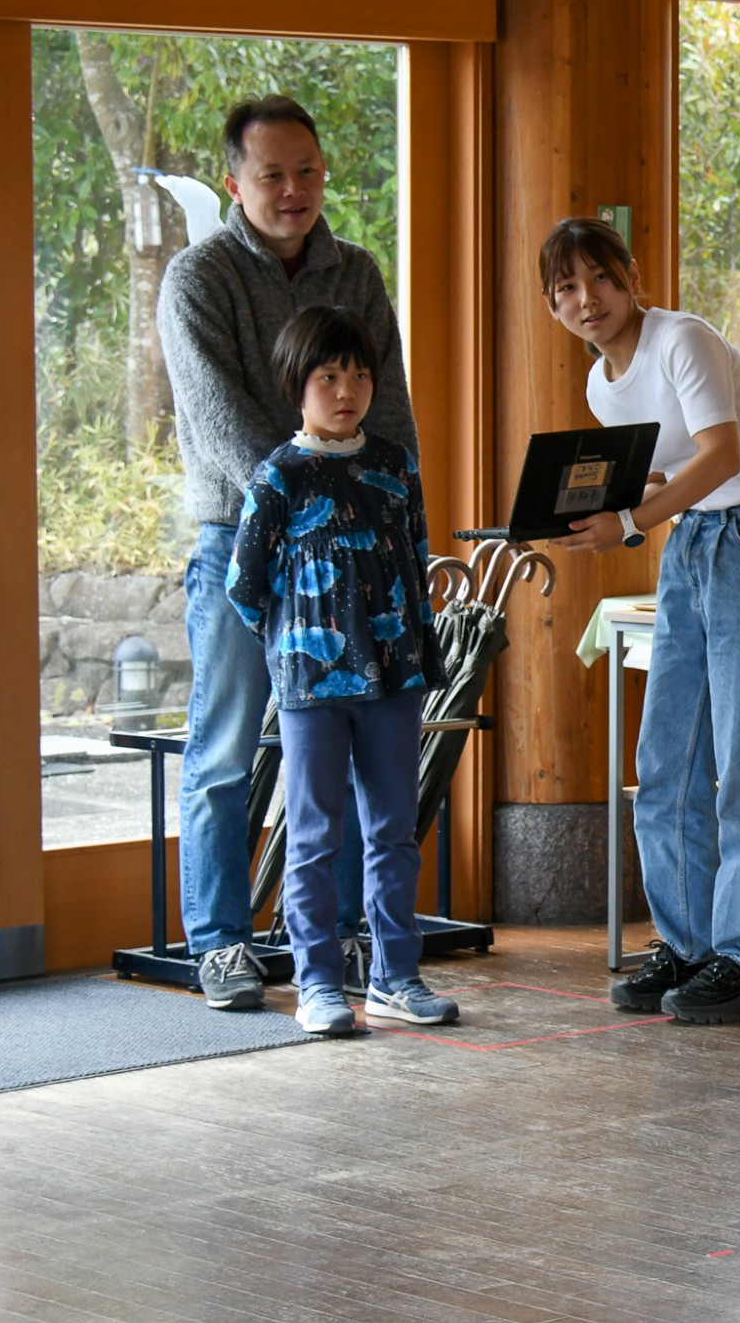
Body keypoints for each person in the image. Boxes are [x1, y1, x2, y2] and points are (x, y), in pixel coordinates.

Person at [158, 95, 415, 1011]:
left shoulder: (358, 272)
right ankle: (221, 943)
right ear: (234, 181)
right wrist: (307, 491)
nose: (293, 189)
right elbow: (224, 421)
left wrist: (390, 522)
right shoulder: (198, 276)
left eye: (306, 171)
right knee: (226, 754)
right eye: (272, 174)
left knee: (347, 757)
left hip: (357, 557)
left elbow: (387, 412)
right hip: (245, 543)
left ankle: (343, 940)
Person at [539, 216, 740, 1025]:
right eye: (564, 289)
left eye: (597, 278)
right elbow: (664, 470)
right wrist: (586, 507)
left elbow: (722, 457)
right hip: (695, 544)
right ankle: (692, 943)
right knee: (665, 764)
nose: (584, 300)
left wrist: (627, 525)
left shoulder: (681, 340)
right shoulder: (601, 384)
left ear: (631, 275)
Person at [227, 306, 456, 1036]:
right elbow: (245, 582)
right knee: (316, 834)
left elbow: (416, 560)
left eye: (358, 375)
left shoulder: (394, 463)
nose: (346, 389)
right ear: (298, 384)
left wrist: (419, 648)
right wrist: (291, 642)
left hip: (393, 678)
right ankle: (318, 984)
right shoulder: (280, 474)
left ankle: (395, 977)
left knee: (392, 830)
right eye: (329, 376)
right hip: (310, 687)